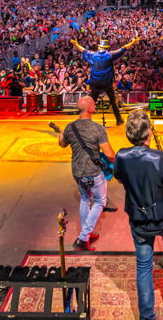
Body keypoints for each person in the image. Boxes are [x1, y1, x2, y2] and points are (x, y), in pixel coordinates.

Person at [115, 109, 163, 318]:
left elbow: (122, 179)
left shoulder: (121, 156)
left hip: (138, 221)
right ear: (147, 134)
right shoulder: (160, 158)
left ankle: (147, 316)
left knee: (144, 266)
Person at [58, 96, 116, 251]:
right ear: (89, 108)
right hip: (94, 172)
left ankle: (86, 233)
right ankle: (83, 238)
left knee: (85, 200)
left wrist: (61, 133)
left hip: (77, 171)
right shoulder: (97, 128)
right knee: (100, 202)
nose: (95, 105)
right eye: (94, 103)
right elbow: (109, 153)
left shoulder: (70, 127)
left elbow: (62, 144)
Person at [71, 36, 139, 126]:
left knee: (91, 101)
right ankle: (119, 120)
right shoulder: (110, 55)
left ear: (99, 47)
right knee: (113, 101)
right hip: (107, 83)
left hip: (95, 83)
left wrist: (76, 44)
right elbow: (123, 49)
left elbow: (83, 50)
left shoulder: (93, 55)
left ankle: (83, 119)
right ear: (106, 48)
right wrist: (132, 42)